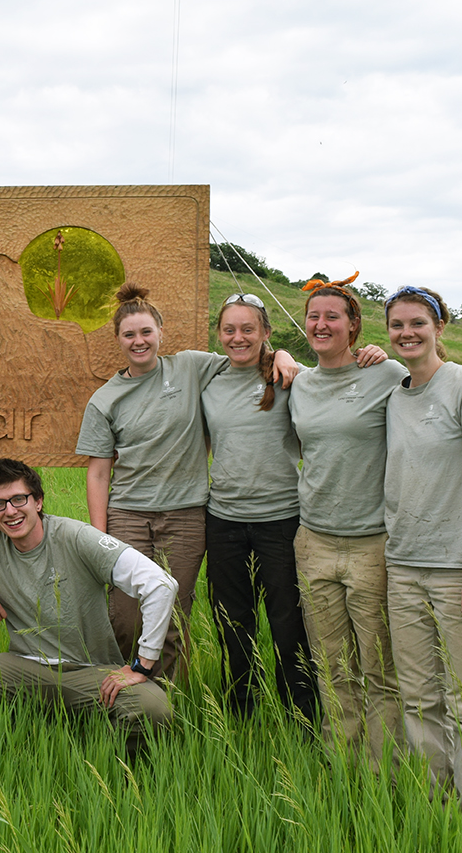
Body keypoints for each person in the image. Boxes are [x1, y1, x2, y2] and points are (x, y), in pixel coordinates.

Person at [77, 282, 297, 683]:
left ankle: (163, 702)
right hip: (128, 513)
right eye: (130, 334)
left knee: (172, 613)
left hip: (186, 515)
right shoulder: (105, 399)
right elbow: (98, 471)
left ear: (161, 333)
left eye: (147, 332)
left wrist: (281, 351)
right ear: (118, 340)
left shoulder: (191, 366)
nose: (139, 341)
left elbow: (247, 352)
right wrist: (99, 537)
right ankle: (125, 691)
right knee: (124, 615)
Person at [0, 459, 177, 753]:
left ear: (38, 501)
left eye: (18, 499)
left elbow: (160, 584)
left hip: (90, 671)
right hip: (23, 667)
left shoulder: (76, 537)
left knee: (155, 709)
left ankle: (111, 764)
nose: (10, 511)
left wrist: (143, 664)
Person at [383, 286, 462, 825]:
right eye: (397, 325)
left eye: (417, 323)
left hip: (461, 570)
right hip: (403, 567)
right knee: (418, 701)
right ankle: (438, 813)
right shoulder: (394, 392)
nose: (407, 333)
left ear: (440, 328)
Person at [288, 273, 406, 768]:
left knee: (380, 667)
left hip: (371, 544)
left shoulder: (386, 374)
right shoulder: (300, 383)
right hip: (313, 541)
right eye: (314, 316)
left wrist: (385, 354)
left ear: (353, 326)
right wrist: (278, 357)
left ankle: (384, 774)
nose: (320, 324)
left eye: (332, 316)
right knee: (331, 664)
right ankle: (343, 765)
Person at [201, 292, 319, 726]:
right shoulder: (208, 378)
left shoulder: (291, 377)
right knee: (232, 623)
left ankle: (301, 716)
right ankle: (241, 713)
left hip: (282, 519)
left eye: (248, 329)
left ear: (266, 333)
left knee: (288, 623)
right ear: (219, 334)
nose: (238, 337)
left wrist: (286, 355)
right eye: (229, 330)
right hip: (224, 519)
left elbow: (331, 384)